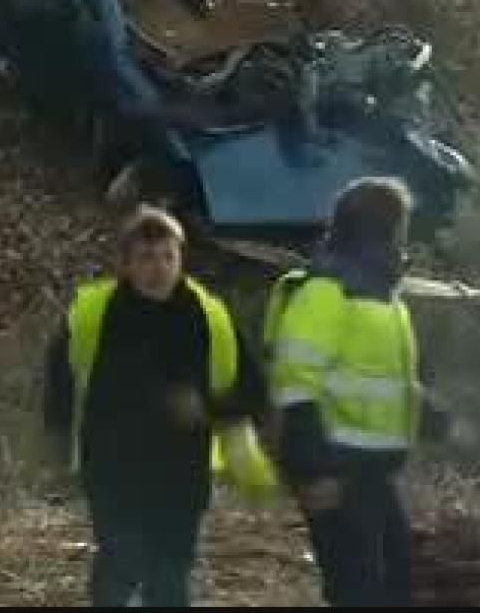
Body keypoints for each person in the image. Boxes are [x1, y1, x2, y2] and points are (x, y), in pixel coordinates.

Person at [43, 205, 271, 608]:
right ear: (125, 263)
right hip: (112, 467)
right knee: (121, 561)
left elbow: (251, 390)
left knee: (170, 574)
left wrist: (207, 407)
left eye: (168, 256)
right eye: (146, 257)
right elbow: (60, 382)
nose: (158, 268)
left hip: (181, 471)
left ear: (181, 259)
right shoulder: (94, 314)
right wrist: (57, 444)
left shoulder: (209, 317)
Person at [267, 177, 425, 606]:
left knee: (391, 582)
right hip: (335, 466)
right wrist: (313, 470)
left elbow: (386, 381)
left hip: (370, 470)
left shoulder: (381, 296)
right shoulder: (326, 291)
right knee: (359, 591)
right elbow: (295, 386)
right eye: (401, 227)